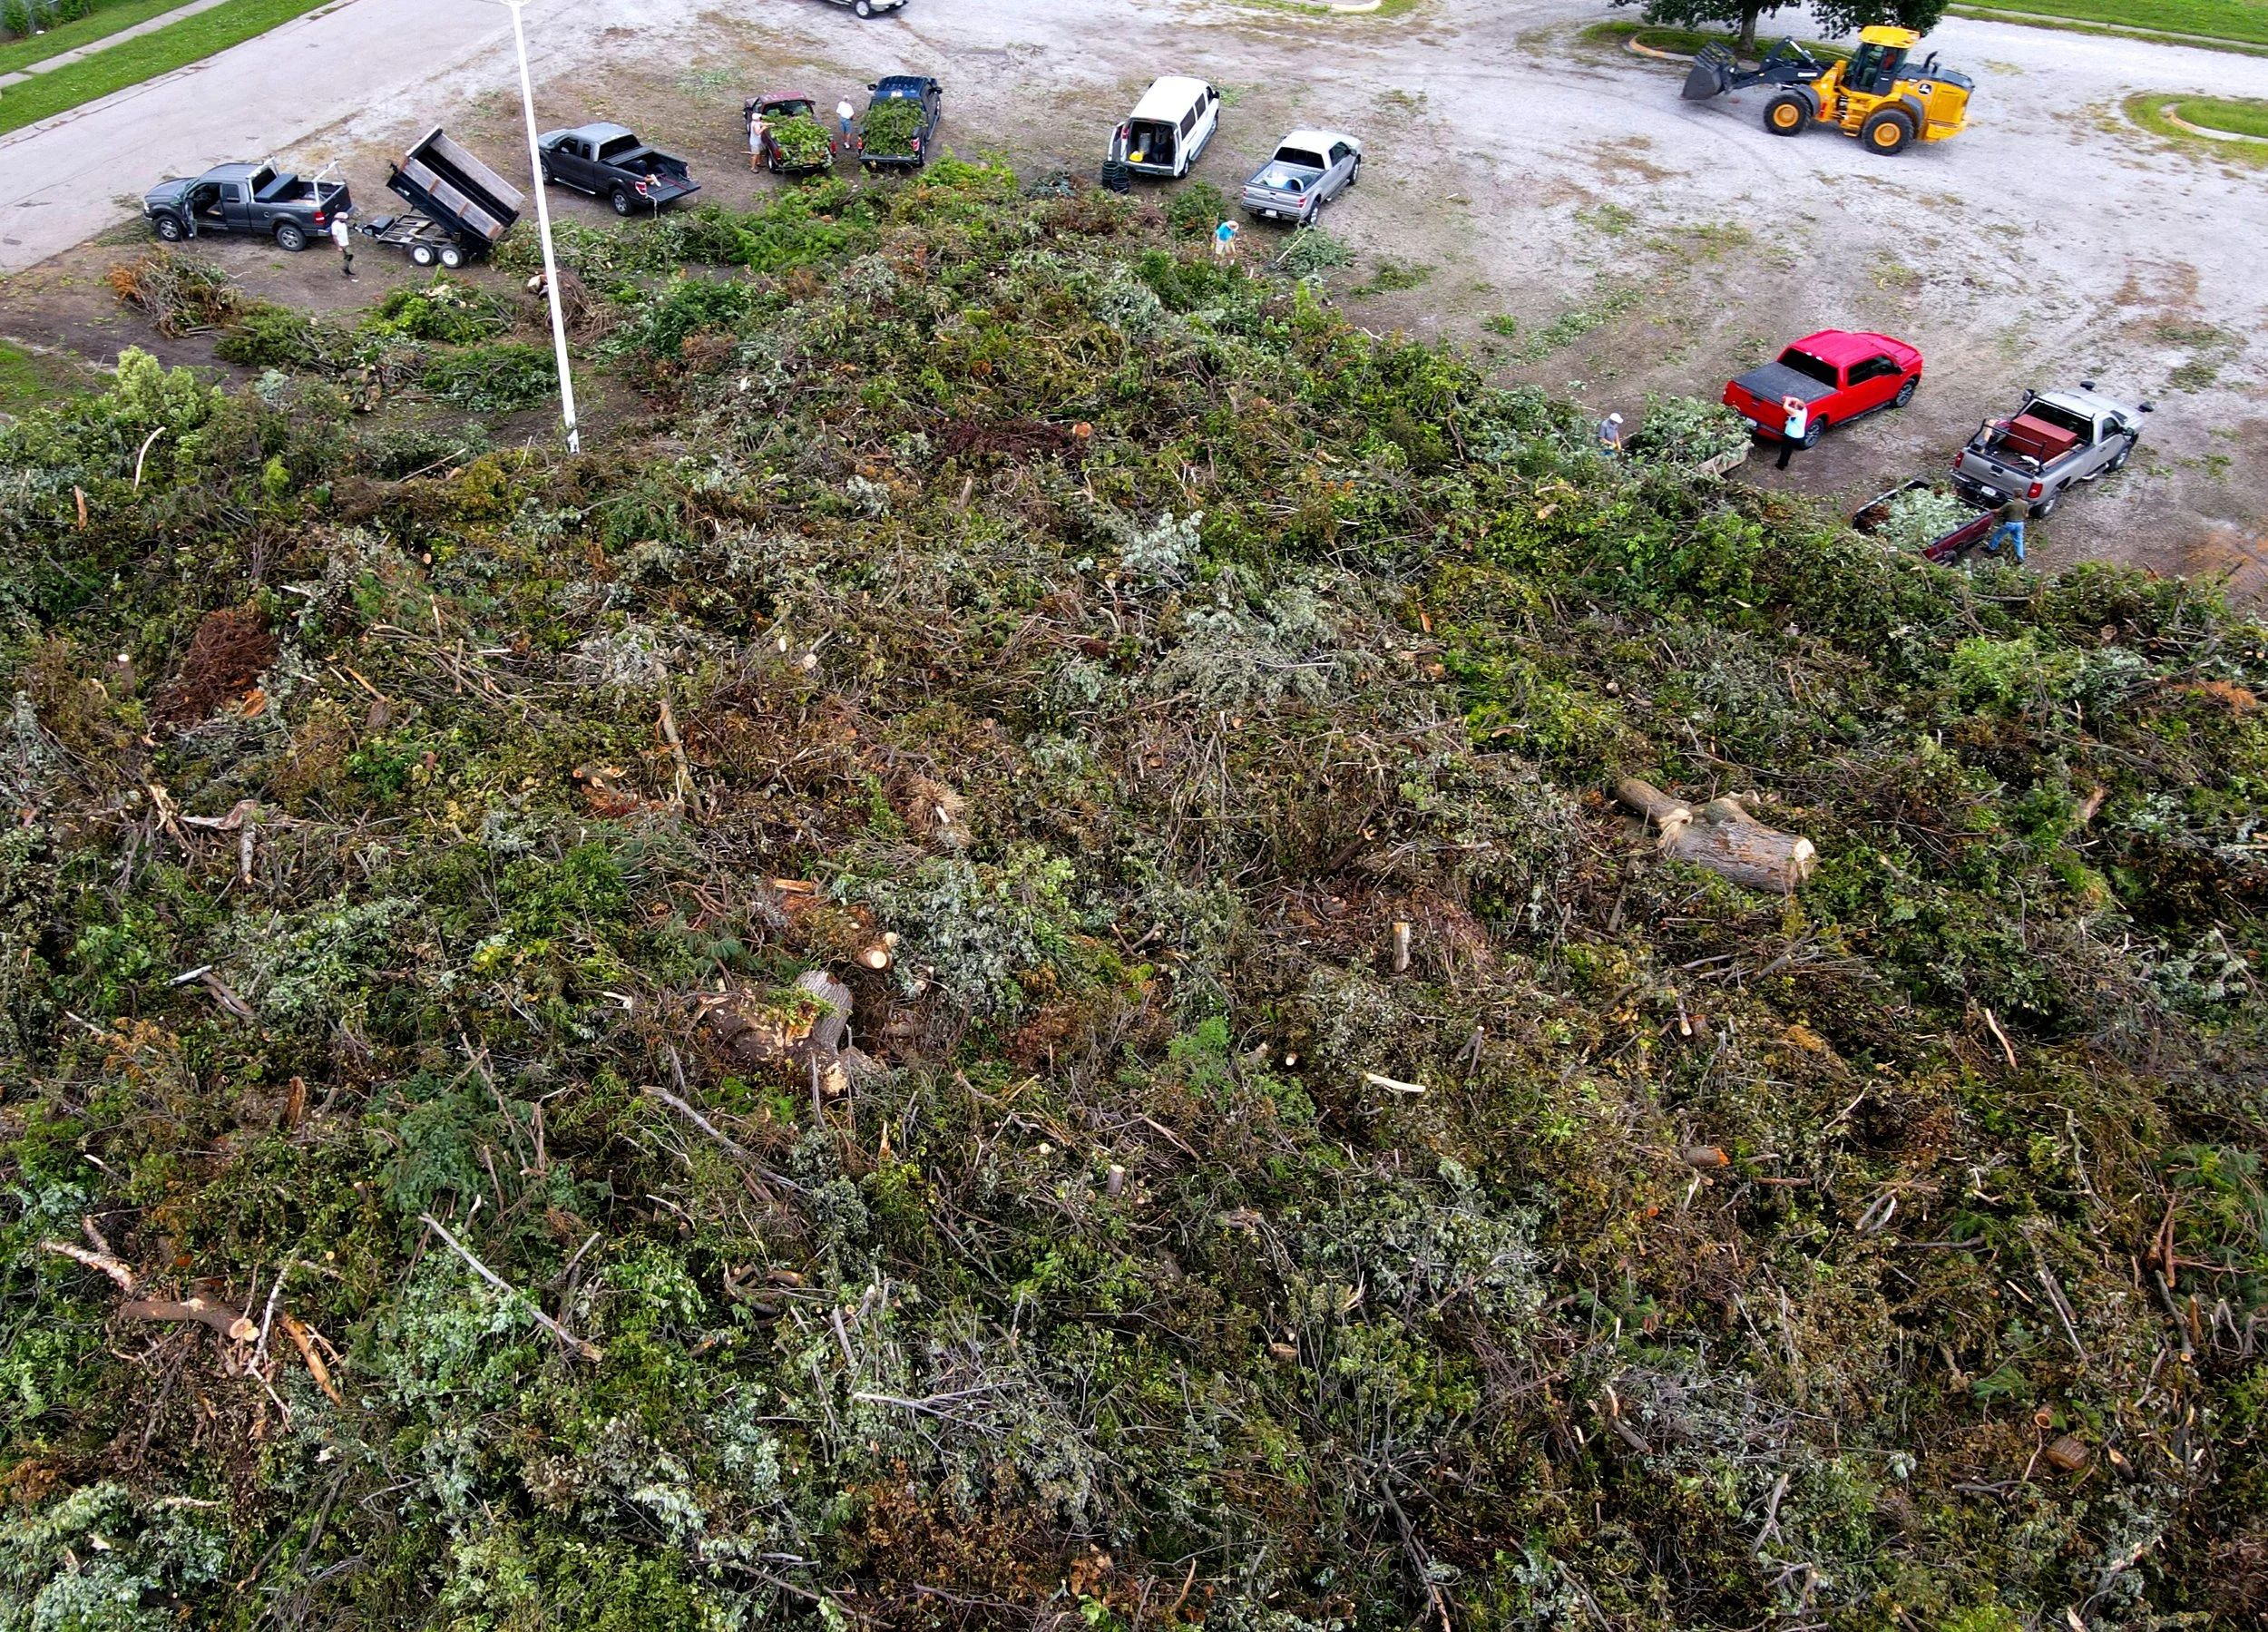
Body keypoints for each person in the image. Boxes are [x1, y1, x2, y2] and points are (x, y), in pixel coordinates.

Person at [1984, 496, 2028, 563]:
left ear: (2014, 495)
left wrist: (1988, 510)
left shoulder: (2010, 504)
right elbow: (2026, 515)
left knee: (1998, 535)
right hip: (2020, 524)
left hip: (2010, 523)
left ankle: (1991, 548)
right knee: (2018, 540)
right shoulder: (2025, 504)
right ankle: (2020, 557)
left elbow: (1998, 511)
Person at [1775, 393, 1806, 470]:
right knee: (1789, 449)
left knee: (1785, 449)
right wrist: (1791, 399)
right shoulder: (1805, 411)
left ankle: (1781, 465)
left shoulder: (1795, 413)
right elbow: (1797, 401)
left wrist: (1787, 400)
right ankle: (1786, 462)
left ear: (1796, 407)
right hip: (1799, 435)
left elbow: (1785, 407)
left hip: (1791, 434)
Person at [330, 212, 355, 279]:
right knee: (350, 255)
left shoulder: (343, 223)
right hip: (342, 244)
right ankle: (343, 269)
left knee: (347, 256)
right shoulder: (335, 225)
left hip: (346, 242)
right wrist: (338, 247)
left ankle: (346, 269)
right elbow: (334, 237)